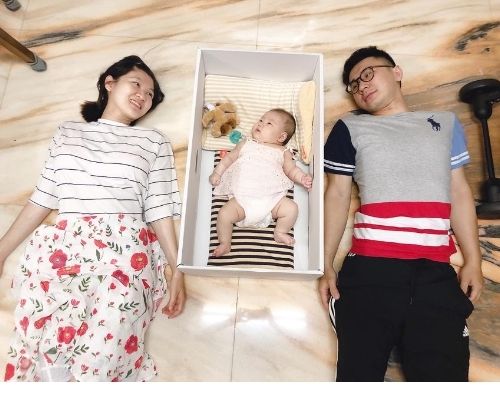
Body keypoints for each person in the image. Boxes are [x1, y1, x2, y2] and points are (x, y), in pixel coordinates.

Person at [0, 55, 185, 382]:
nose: (143, 95)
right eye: (136, 84)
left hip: (125, 252)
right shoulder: (68, 132)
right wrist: (1, 251)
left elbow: (159, 208)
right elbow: (44, 196)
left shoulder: (152, 141)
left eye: (150, 94)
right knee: (47, 350)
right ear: (109, 83)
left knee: (103, 354)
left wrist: (177, 270)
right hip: (66, 247)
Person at [319, 46, 484, 382]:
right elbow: (336, 194)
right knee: (357, 380)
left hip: (435, 275)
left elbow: (459, 191)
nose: (361, 86)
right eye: (354, 84)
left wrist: (474, 260)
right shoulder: (350, 127)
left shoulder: (445, 124)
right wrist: (324, 264)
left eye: (368, 74)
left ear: (396, 72)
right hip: (369, 272)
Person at [209, 108, 313, 257]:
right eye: (261, 120)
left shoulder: (283, 151)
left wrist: (302, 178)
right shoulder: (246, 143)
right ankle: (225, 243)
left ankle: (280, 231)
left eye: (269, 123)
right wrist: (217, 172)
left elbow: (291, 170)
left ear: (281, 136)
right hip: (243, 199)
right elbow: (229, 159)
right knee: (224, 215)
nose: (261, 124)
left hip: (272, 200)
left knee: (292, 209)